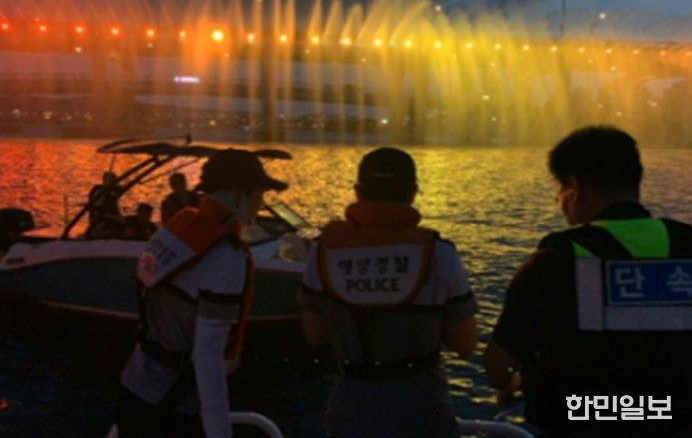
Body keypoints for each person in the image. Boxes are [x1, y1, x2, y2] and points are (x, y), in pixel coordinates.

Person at [484, 126, 692, 437]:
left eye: (560, 190)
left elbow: (499, 365)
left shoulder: (558, 258)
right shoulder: (686, 244)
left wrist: (514, 383)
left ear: (575, 186)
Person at [298, 147, 478, 438]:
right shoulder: (438, 254)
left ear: (358, 192)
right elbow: (465, 343)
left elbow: (314, 335)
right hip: (423, 410)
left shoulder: (323, 251)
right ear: (413, 193)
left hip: (351, 409)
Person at [117, 149, 288, 438]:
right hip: (172, 408)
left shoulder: (174, 230)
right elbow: (208, 358)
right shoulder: (227, 258)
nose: (261, 203)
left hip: (133, 391)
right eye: (259, 194)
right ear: (238, 196)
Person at [86, 170, 125, 238]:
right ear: (104, 180)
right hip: (101, 221)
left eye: (114, 180)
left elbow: (121, 189)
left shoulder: (115, 190)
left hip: (112, 219)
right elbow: (96, 209)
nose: (112, 182)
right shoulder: (97, 191)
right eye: (110, 180)